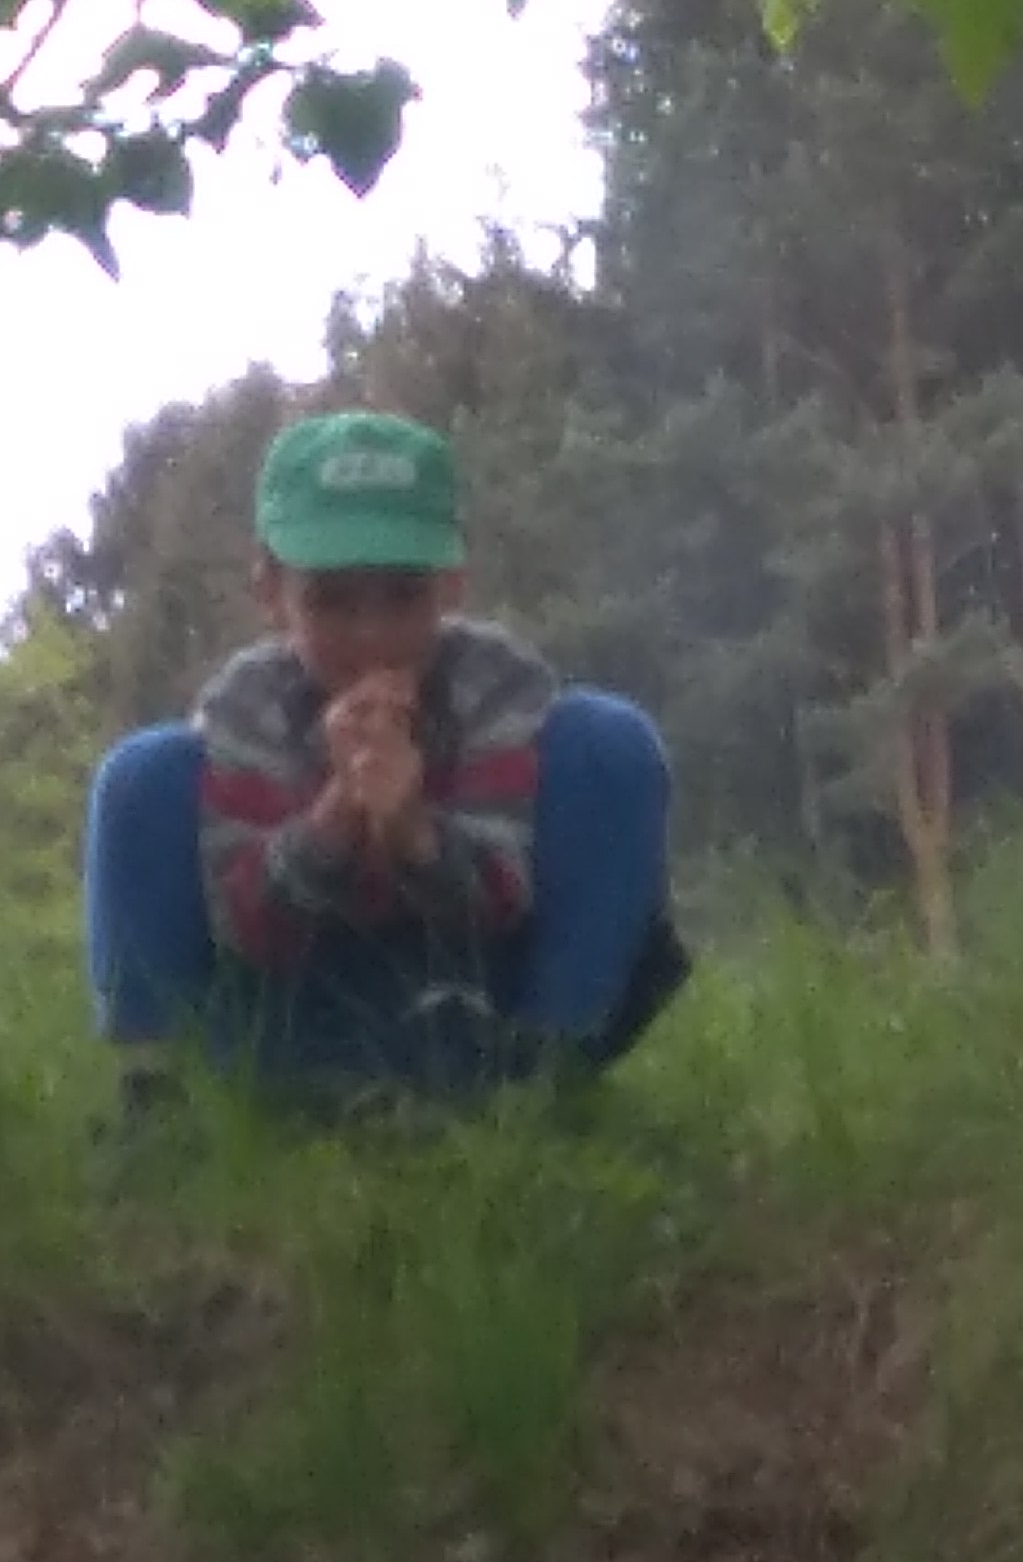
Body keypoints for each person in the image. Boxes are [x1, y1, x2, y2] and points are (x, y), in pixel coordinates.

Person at [83, 408, 689, 1101]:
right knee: (143, 773)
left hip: (478, 1002)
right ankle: (166, 1088)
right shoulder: (246, 715)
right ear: (272, 595)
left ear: (451, 586)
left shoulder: (497, 695)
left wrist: (413, 833)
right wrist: (335, 816)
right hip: (286, 1015)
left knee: (608, 741)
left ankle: (551, 1079)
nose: (372, 635)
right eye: (333, 602)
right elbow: (248, 928)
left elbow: (498, 906)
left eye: (403, 597)